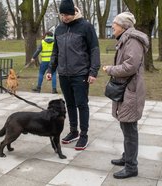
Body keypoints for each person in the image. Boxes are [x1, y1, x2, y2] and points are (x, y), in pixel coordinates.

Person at [46, 0, 100, 150]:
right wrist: (51, 69)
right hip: (63, 74)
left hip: (80, 73)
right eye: (62, 14)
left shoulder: (86, 27)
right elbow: (55, 52)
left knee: (81, 104)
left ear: (74, 12)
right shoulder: (59, 29)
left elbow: (94, 50)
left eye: (67, 14)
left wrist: (93, 71)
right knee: (69, 104)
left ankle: (84, 135)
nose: (65, 17)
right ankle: (74, 131)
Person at [103, 12, 149, 179]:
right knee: (125, 125)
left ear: (123, 26)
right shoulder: (126, 39)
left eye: (114, 24)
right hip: (127, 89)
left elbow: (130, 66)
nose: (112, 27)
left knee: (129, 129)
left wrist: (111, 69)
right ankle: (127, 157)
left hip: (131, 90)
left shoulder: (133, 41)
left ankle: (131, 167)